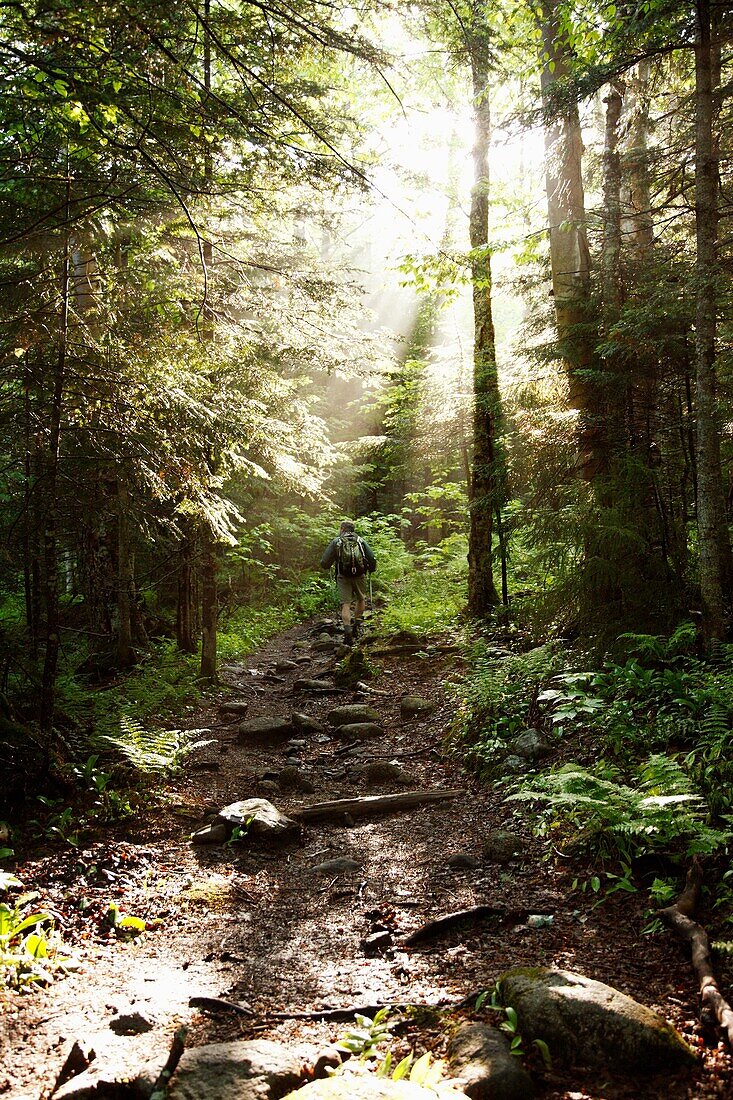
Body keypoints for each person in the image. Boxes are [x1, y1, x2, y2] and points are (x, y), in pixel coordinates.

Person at [320, 520, 376, 645]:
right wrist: (371, 569)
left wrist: (327, 565)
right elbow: (371, 557)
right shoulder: (360, 540)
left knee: (345, 604)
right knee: (361, 599)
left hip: (343, 576)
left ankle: (348, 632)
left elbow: (324, 562)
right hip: (360, 575)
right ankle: (356, 626)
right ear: (353, 529)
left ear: (342, 529)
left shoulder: (337, 541)